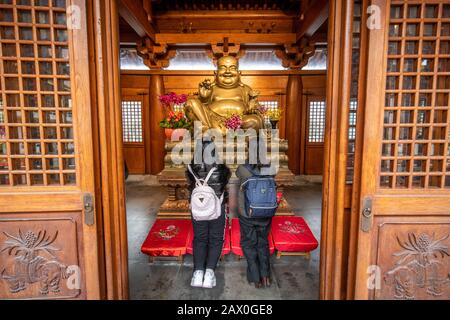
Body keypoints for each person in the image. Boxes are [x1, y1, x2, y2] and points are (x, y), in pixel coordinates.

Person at [186, 141, 231, 288]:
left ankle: (198, 273)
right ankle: (209, 273)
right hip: (217, 209)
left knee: (200, 238)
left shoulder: (191, 168)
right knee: (216, 239)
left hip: (198, 208)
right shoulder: (222, 168)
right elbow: (225, 184)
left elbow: (190, 186)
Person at [236, 163, 274, 288]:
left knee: (248, 243)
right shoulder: (271, 168)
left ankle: (255, 277)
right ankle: (265, 276)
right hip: (266, 213)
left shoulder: (242, 169)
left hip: (247, 214)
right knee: (263, 243)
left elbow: (237, 174)